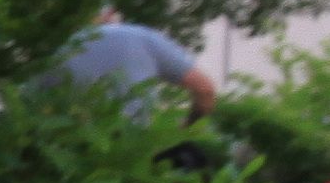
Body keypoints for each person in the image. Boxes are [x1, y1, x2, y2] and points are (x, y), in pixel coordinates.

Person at [56, 9, 223, 114]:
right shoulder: (141, 37)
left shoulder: (55, 48)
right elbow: (205, 89)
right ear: (111, 14)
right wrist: (185, 132)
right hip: (131, 150)